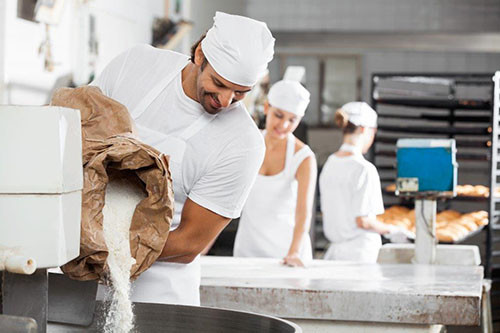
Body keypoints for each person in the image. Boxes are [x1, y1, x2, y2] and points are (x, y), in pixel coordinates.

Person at [92, 12, 275, 305]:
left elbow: (191, 242)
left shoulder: (243, 143)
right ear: (200, 53)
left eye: (240, 93)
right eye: (219, 83)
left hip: (159, 289)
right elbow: (80, 133)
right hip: (79, 276)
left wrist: (108, 251)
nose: (226, 101)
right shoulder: (136, 65)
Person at [233, 80, 317, 267]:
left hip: (286, 253)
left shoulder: (303, 157)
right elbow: (225, 199)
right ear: (266, 108)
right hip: (247, 250)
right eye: (278, 115)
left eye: (292, 120)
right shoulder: (248, 144)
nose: (284, 125)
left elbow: (303, 212)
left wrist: (294, 253)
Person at [319, 102, 411, 263]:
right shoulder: (364, 169)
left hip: (335, 255)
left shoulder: (330, 164)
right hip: (359, 256)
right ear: (364, 130)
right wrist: (392, 231)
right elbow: (364, 221)